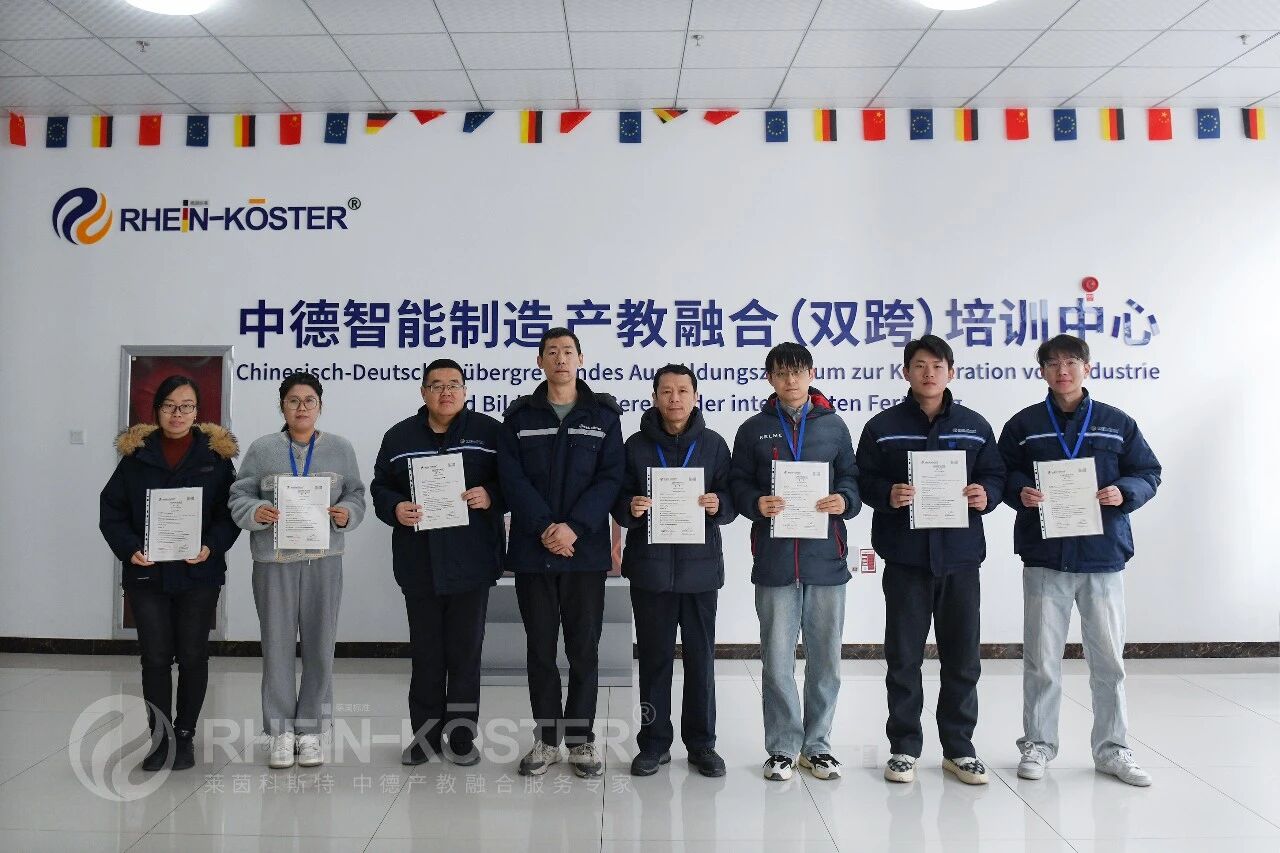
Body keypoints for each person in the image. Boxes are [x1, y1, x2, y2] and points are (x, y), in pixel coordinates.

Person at [998, 334, 1161, 787]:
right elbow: (1001, 472)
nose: (1062, 370)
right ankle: (1038, 744)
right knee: (1041, 659)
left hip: (1101, 556)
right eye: (1052, 364)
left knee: (1108, 661)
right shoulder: (1025, 424)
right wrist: (1018, 491)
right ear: (1042, 372)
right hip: (1045, 556)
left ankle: (1113, 749)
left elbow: (1148, 472)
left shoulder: (1116, 423)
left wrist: (1124, 492)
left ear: (1087, 368)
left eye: (1070, 362)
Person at [855, 335, 1006, 786]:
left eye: (938, 366)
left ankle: (959, 749)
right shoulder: (882, 426)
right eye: (919, 365)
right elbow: (862, 479)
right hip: (906, 560)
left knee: (962, 659)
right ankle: (904, 748)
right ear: (905, 372)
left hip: (960, 559)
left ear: (951, 372)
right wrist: (888, 493)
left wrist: (986, 494)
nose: (928, 373)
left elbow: (995, 474)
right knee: (904, 658)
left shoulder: (975, 426)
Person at [729, 342, 861, 782]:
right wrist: (755, 502)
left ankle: (818, 746)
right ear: (770, 378)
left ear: (811, 374)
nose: (790, 380)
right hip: (775, 560)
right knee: (776, 661)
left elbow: (852, 479)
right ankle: (783, 747)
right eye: (781, 373)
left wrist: (844, 500)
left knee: (826, 660)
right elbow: (737, 484)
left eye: (798, 371)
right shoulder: (753, 429)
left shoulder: (834, 426)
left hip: (826, 561)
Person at [497, 327, 624, 778]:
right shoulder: (519, 417)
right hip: (533, 553)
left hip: (583, 553)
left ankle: (581, 740)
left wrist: (573, 527)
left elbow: (610, 478)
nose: (561, 359)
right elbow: (511, 478)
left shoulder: (603, 416)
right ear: (540, 362)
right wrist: (545, 527)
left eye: (568, 351)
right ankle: (547, 739)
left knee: (584, 649)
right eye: (551, 352)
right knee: (540, 650)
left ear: (581, 359)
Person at [99, 375, 241, 772]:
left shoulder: (214, 457)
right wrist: (130, 548)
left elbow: (229, 513)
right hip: (148, 575)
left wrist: (211, 545)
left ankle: (185, 735)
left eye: (186, 406)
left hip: (199, 574)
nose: (177, 414)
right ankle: (160, 738)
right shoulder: (136, 457)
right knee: (156, 657)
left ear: (197, 412)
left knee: (193, 655)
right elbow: (111, 511)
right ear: (157, 410)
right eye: (169, 406)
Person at [371, 359, 505, 767]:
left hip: (472, 562)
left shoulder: (489, 433)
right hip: (420, 564)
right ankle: (425, 737)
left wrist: (491, 495)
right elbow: (380, 486)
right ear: (423, 392)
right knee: (427, 655)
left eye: (453, 384)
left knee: (465, 655)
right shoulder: (399, 436)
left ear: (465, 390)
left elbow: (513, 482)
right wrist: (395, 507)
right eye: (436, 385)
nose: (446, 392)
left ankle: (462, 737)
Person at [229, 372, 366, 769]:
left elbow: (356, 494)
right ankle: (279, 732)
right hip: (274, 563)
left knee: (321, 645)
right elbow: (239, 494)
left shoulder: (340, 449)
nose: (301, 407)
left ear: (320, 406)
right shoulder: (262, 449)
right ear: (282, 406)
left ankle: (310, 731)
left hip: (324, 560)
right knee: (276, 647)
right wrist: (256, 510)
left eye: (309, 401)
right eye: (293, 401)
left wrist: (346, 513)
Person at [612, 364, 736, 778]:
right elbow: (617, 499)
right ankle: (653, 744)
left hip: (700, 572)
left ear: (695, 396)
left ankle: (702, 745)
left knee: (701, 661)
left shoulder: (714, 445)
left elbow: (731, 498)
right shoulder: (635, 446)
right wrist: (630, 507)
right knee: (654, 661)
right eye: (666, 391)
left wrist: (719, 504)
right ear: (654, 397)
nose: (675, 398)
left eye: (683, 390)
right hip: (650, 571)